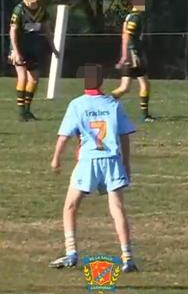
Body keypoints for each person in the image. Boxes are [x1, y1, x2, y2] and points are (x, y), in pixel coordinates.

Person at [49, 64, 138, 272]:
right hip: (111, 160)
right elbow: (124, 136)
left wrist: (56, 158)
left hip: (89, 161)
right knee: (117, 208)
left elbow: (64, 136)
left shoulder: (77, 105)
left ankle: (71, 253)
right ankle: (128, 258)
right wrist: (125, 163)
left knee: (70, 206)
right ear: (101, 82)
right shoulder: (113, 104)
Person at [8, 0, 57, 121]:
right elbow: (12, 31)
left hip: (33, 48)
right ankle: (21, 112)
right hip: (20, 47)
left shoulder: (42, 10)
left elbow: (47, 30)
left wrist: (53, 47)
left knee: (34, 80)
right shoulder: (19, 9)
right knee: (22, 77)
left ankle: (28, 109)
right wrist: (15, 51)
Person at [111, 0, 155, 122]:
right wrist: (128, 54)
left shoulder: (133, 15)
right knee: (144, 83)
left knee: (125, 87)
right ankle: (144, 115)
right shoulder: (135, 17)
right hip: (133, 54)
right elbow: (126, 36)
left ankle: (102, 104)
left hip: (131, 53)